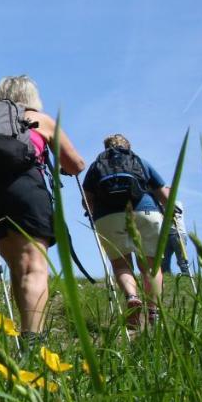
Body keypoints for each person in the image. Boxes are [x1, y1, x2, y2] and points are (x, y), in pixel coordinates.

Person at [0, 76, 85, 342]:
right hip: (25, 191)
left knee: (19, 266)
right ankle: (32, 342)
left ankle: (25, 333)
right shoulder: (38, 119)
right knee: (34, 267)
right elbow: (75, 165)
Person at [83, 134, 173, 328]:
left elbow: (87, 200)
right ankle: (154, 312)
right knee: (151, 266)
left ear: (105, 147)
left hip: (107, 217)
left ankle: (132, 297)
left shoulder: (95, 167)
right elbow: (164, 193)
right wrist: (171, 210)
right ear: (128, 146)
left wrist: (93, 213)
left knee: (121, 264)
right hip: (146, 212)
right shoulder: (139, 161)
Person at [161, 203, 191, 277]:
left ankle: (186, 274)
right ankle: (166, 275)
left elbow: (173, 211)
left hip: (178, 234)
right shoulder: (162, 204)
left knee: (181, 259)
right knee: (164, 259)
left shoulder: (176, 203)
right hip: (168, 234)